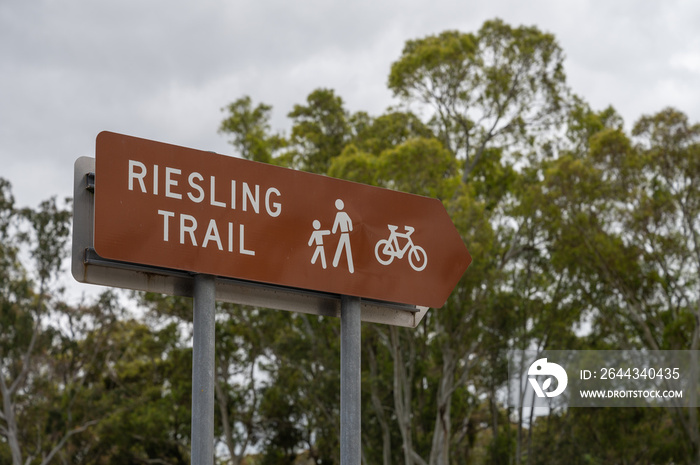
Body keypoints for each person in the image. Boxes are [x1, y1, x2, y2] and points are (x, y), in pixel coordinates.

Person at [332, 199, 354, 273]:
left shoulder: (342, 214)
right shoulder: (342, 214)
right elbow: (337, 223)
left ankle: (349, 266)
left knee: (344, 248)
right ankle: (335, 263)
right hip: (344, 233)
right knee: (343, 248)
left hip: (345, 234)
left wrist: (334, 230)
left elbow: (337, 223)